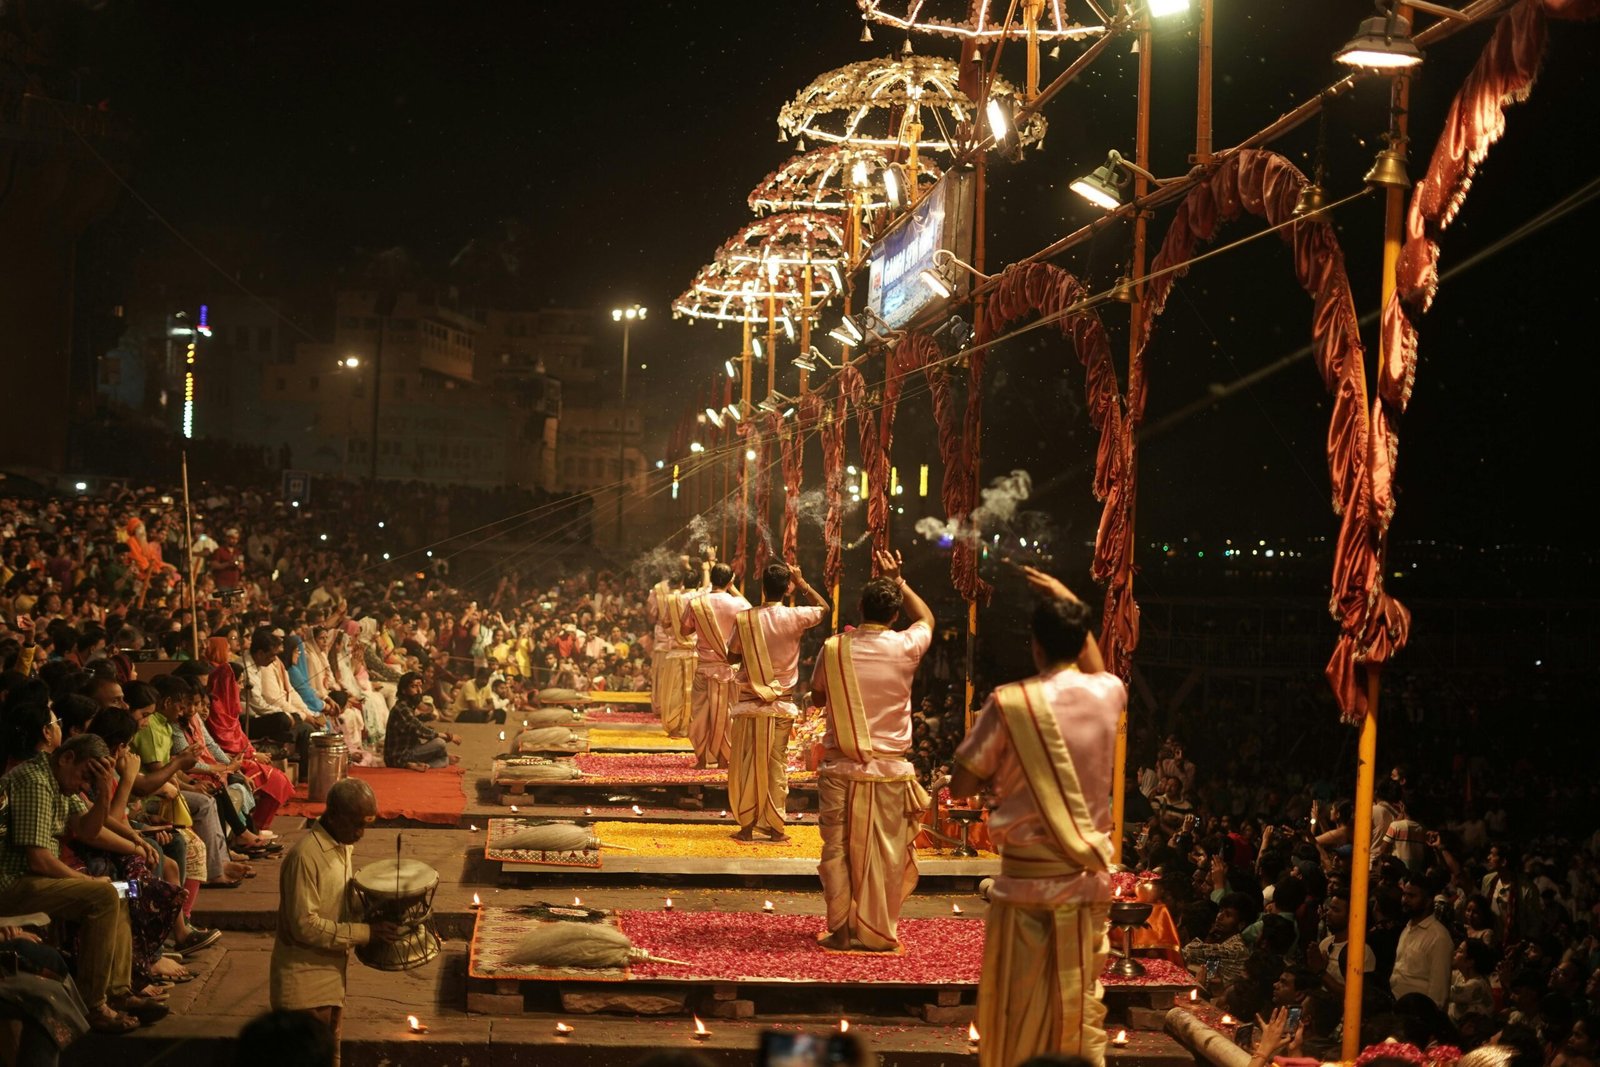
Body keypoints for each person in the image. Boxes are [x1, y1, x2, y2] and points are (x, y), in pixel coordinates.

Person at [948, 567, 1122, 1067]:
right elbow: (1097, 663)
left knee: (1017, 1009)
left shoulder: (1010, 703)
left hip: (1025, 888)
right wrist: (1069, 600)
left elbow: (963, 783)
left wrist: (1003, 774)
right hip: (1085, 888)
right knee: (1078, 1000)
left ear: (1035, 646)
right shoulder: (1110, 693)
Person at [809, 548, 933, 952]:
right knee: (884, 853)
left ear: (859, 608)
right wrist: (899, 579)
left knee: (837, 850)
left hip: (840, 767)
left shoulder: (833, 649)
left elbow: (815, 696)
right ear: (896, 617)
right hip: (890, 771)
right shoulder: (906, 647)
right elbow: (927, 619)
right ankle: (877, 931)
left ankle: (841, 931)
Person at [0, 733, 164, 1034]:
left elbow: (88, 829)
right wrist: (88, 880)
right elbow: (39, 860)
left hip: (34, 879)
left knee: (122, 890)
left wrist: (103, 794)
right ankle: (94, 1005)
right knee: (102, 894)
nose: (84, 785)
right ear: (66, 758)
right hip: (11, 884)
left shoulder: (60, 781)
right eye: (86, 776)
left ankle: (119, 992)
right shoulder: (35, 782)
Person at [269, 777, 397, 1067]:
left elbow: (338, 900)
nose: (361, 833)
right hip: (302, 987)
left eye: (366, 825)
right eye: (356, 825)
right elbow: (304, 925)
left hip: (330, 982)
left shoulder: (341, 847)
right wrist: (365, 932)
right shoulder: (305, 856)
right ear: (335, 816)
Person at [726, 561, 826, 844]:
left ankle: (746, 828)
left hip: (748, 704)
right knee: (776, 766)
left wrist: (750, 653)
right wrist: (803, 582)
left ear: (762, 588)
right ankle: (775, 828)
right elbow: (824, 609)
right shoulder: (795, 617)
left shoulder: (745, 619)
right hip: (781, 706)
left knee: (747, 765)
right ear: (788, 589)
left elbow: (731, 658)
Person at [681, 561, 745, 766]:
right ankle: (724, 758)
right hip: (729, 669)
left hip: (705, 667)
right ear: (731, 580)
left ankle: (701, 759)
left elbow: (684, 631)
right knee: (728, 714)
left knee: (700, 714)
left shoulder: (697, 603)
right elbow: (753, 620)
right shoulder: (740, 604)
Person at [1390, 872, 1454, 1008]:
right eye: (1404, 894)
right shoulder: (1407, 928)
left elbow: (1439, 994)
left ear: (1428, 900)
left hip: (1417, 1016)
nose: (1404, 900)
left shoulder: (1439, 937)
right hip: (1397, 1006)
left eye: (1411, 896)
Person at [383, 672, 462, 771]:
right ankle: (408, 764)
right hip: (398, 757)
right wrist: (449, 736)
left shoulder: (409, 707)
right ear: (404, 690)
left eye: (420, 686)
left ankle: (420, 765)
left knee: (444, 760)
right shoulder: (401, 708)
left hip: (408, 752)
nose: (419, 690)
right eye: (414, 687)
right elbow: (421, 730)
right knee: (440, 743)